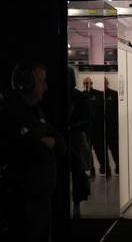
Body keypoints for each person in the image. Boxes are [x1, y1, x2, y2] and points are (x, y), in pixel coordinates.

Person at [0, 61, 67, 242]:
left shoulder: (35, 112)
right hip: (22, 205)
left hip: (39, 202)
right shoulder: (11, 113)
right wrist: (46, 146)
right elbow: (36, 153)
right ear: (27, 83)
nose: (46, 87)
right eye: (42, 81)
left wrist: (47, 143)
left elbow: (62, 144)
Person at [68, 68, 91, 218]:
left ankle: (76, 203)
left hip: (75, 140)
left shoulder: (80, 97)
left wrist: (72, 128)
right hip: (59, 140)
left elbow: (87, 120)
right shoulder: (53, 95)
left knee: (77, 173)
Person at [83, 77, 111, 177]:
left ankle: (106, 169)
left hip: (98, 128)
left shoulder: (99, 95)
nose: (86, 85)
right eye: (84, 83)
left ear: (91, 83)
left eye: (87, 83)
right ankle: (92, 170)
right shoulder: (82, 96)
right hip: (86, 129)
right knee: (88, 151)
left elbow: (104, 111)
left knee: (100, 151)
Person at [104, 77, 119, 174]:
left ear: (107, 83)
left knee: (114, 149)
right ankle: (106, 170)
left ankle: (118, 167)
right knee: (101, 151)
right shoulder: (99, 95)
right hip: (100, 128)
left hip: (113, 128)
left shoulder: (114, 94)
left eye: (104, 82)